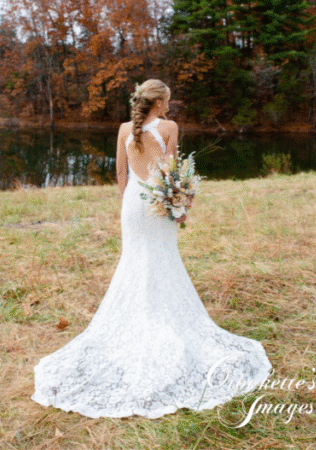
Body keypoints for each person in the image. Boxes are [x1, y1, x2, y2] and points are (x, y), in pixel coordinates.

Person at [31, 79, 271, 418]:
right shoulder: (169, 127)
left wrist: (127, 203)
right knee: (162, 259)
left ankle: (141, 316)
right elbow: (172, 171)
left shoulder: (124, 128)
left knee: (134, 260)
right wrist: (180, 203)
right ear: (159, 102)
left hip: (133, 204)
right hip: (158, 204)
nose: (170, 107)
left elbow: (120, 171)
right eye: (168, 101)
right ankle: (160, 317)